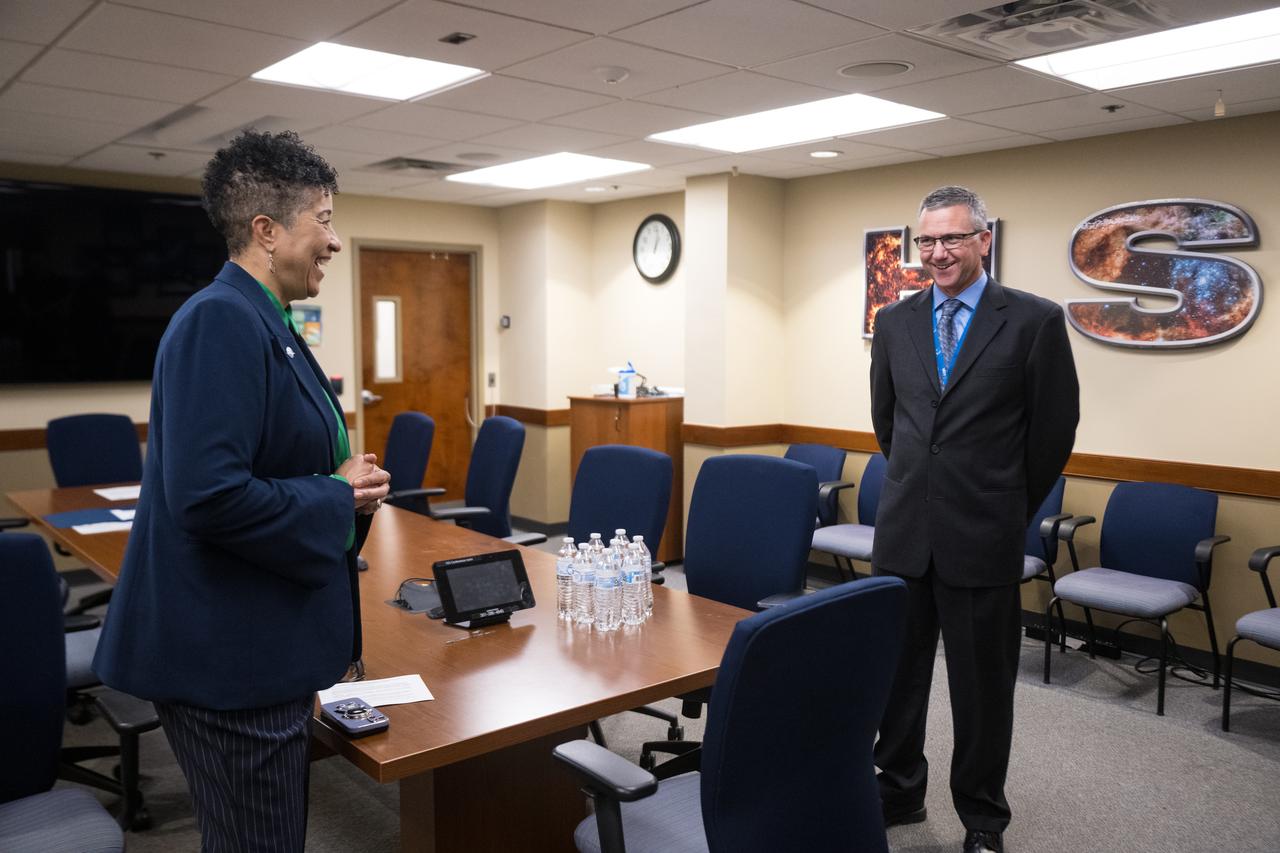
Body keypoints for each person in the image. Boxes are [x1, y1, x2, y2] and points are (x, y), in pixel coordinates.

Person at [93, 130, 390, 852]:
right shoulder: (221, 320)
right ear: (266, 230)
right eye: (322, 220)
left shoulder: (266, 320)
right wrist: (335, 496)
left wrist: (342, 489)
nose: (336, 241)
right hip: (228, 665)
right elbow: (209, 497)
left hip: (252, 642)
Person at [869, 186, 1079, 853]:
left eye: (951, 239)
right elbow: (890, 423)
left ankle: (983, 820)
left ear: (982, 240)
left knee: (982, 693)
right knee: (896, 682)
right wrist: (918, 483)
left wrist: (1004, 504)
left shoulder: (1033, 321)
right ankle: (897, 788)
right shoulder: (896, 321)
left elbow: (1052, 432)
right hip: (905, 533)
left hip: (982, 536)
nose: (937, 253)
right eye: (926, 241)